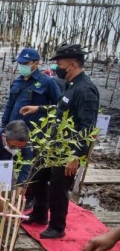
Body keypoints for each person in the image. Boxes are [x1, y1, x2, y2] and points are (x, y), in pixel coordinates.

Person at [20, 43, 99, 239]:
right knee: (36, 176)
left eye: (59, 64)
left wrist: (76, 157)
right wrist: (38, 109)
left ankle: (57, 226)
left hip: (68, 150)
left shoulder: (86, 91)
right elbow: (61, 108)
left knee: (58, 188)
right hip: (53, 146)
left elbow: (87, 128)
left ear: (72, 65)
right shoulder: (70, 86)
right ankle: (39, 215)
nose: (56, 68)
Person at [1, 48, 61, 209]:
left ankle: (30, 197)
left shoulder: (48, 82)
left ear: (36, 63)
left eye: (25, 63)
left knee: (31, 164)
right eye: (19, 63)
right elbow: (9, 105)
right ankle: (11, 194)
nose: (21, 66)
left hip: (35, 134)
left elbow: (59, 107)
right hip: (13, 131)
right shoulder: (17, 81)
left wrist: (39, 109)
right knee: (12, 162)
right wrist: (3, 127)